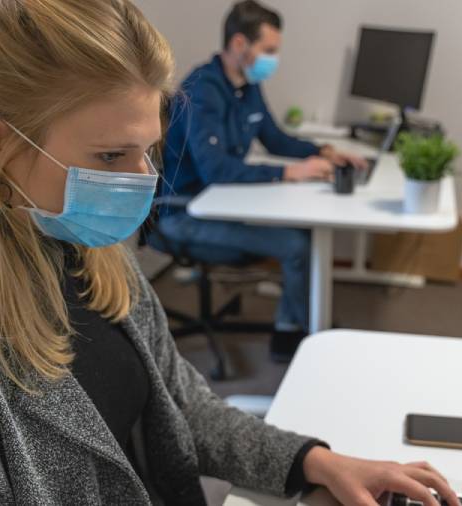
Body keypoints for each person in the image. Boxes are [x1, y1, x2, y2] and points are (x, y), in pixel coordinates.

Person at [0, 1, 459, 505]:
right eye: (110, 157)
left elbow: (182, 408)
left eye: (149, 151)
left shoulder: (93, 256)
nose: (143, 181)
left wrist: (313, 461)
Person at [153, 0, 368, 362]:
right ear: (240, 45)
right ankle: (289, 336)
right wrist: (289, 172)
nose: (273, 59)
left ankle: (305, 321)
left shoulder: (245, 83)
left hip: (222, 204)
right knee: (296, 245)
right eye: (268, 50)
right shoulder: (203, 91)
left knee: (304, 234)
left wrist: (324, 151)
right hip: (184, 214)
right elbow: (216, 170)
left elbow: (276, 139)